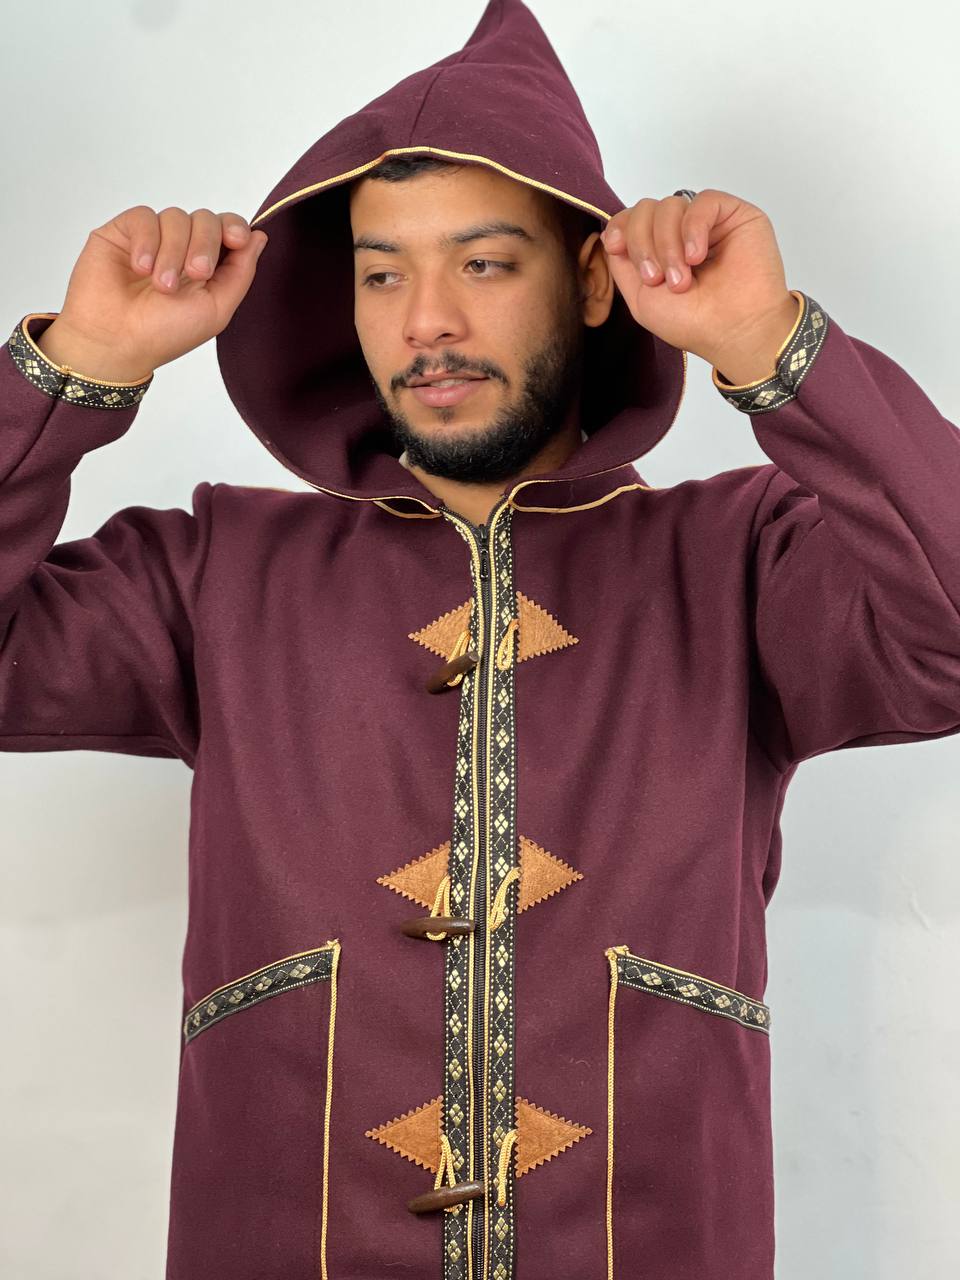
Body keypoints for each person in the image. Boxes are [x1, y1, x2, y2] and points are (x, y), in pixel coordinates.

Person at [2, 1, 958, 1277]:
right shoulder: (216, 571)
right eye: (381, 272)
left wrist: (773, 344)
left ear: (593, 281)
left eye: (486, 264)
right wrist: (72, 371)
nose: (427, 322)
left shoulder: (736, 560)